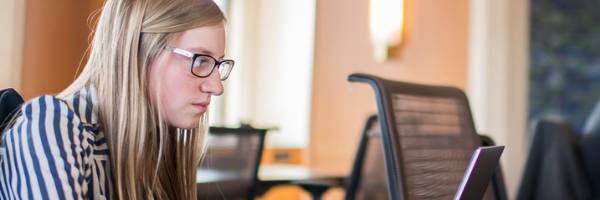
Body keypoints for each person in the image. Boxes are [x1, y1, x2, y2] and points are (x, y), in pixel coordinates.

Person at [0, 0, 234, 199]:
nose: (216, 87)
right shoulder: (51, 128)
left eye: (218, 64)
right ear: (139, 52)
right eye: (201, 60)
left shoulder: (154, 150)